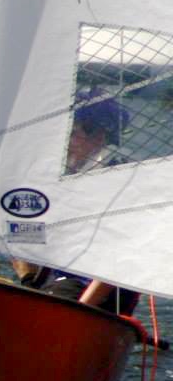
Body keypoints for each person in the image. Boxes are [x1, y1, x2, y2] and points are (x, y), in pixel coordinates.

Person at [13, 89, 137, 314]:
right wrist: (29, 282)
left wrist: (80, 311)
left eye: (71, 133)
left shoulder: (120, 179)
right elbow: (21, 234)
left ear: (98, 137)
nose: (63, 142)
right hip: (58, 283)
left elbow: (119, 258)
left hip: (99, 290)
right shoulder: (54, 175)